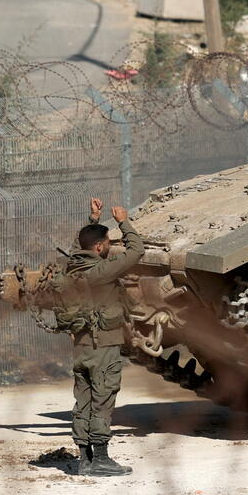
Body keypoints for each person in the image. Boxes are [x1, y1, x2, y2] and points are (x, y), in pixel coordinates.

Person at [58, 196, 143, 477]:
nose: (109, 246)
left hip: (81, 346)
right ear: (99, 247)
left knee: (82, 400)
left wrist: (93, 220)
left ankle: (84, 458)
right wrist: (123, 223)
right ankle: (102, 459)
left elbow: (77, 247)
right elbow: (136, 251)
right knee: (103, 399)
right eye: (106, 242)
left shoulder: (72, 268)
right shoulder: (101, 271)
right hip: (103, 345)